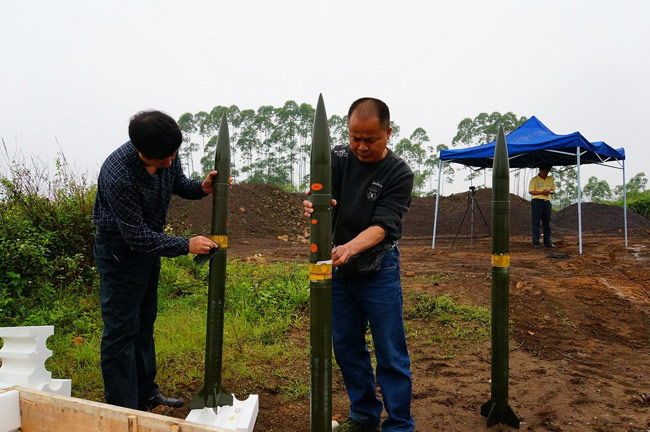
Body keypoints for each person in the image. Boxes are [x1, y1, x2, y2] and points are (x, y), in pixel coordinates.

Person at [92, 110, 219, 410]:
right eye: (164, 159)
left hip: (148, 251)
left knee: (144, 323)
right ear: (141, 151)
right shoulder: (118, 174)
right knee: (121, 330)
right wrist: (187, 245)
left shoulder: (165, 150)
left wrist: (201, 188)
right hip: (120, 253)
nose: (171, 162)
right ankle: (123, 408)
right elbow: (136, 236)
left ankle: (146, 393)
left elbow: (178, 182)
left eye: (173, 155)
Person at [303, 98, 415, 431]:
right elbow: (325, 196)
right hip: (339, 270)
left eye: (370, 139)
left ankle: (399, 425)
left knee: (390, 351)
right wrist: (315, 204)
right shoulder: (338, 157)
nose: (361, 147)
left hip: (379, 268)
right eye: (355, 138)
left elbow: (384, 226)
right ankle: (364, 415)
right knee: (347, 346)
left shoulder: (399, 173)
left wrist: (350, 247)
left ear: (388, 133)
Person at [528, 164, 556, 248]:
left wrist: (549, 192)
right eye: (544, 171)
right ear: (540, 170)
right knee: (536, 222)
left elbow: (553, 190)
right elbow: (531, 191)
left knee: (547, 222)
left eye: (547, 171)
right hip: (537, 201)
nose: (546, 173)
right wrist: (541, 192)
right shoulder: (534, 180)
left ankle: (547, 242)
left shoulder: (550, 179)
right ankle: (536, 242)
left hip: (547, 201)